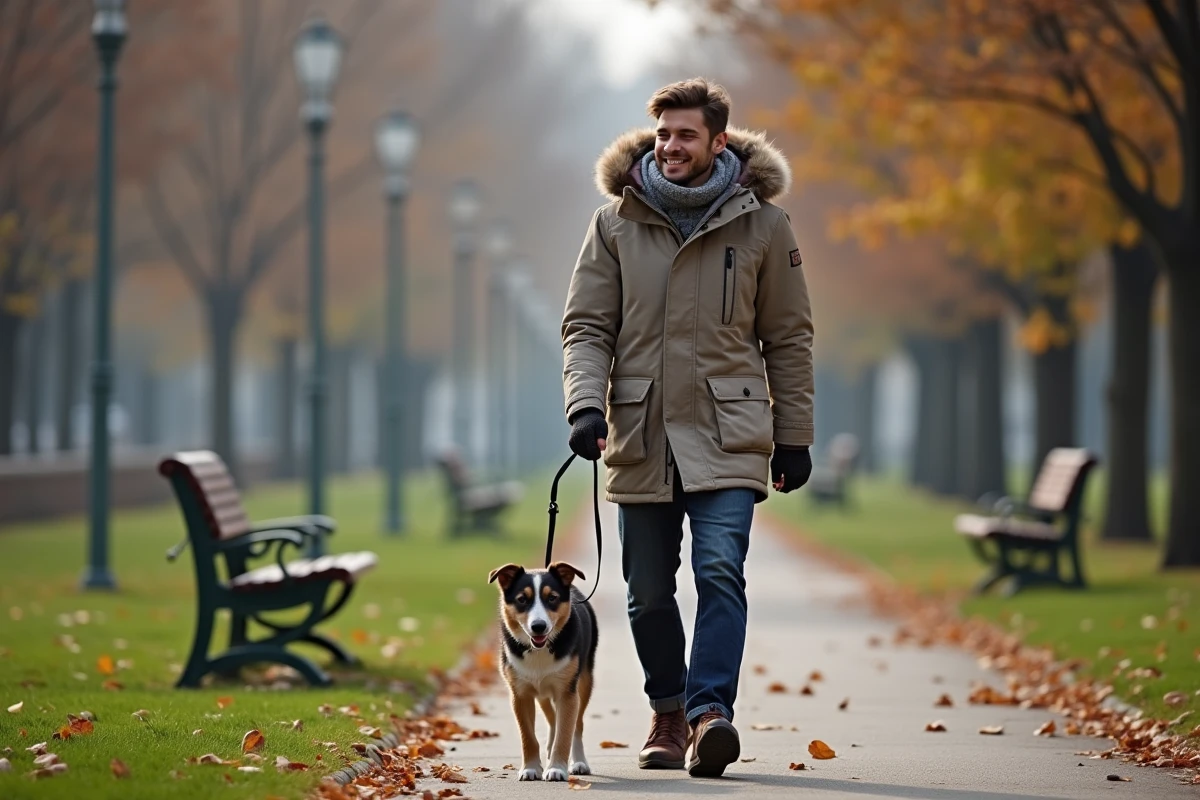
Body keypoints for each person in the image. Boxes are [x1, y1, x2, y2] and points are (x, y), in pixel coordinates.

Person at [559, 77, 815, 778]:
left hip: (730, 436)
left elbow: (788, 339)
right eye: (663, 134)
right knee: (646, 591)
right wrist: (585, 406)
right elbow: (586, 328)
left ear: (718, 141)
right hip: (640, 434)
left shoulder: (765, 225)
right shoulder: (614, 224)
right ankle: (666, 712)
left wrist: (795, 435)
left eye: (685, 135)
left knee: (719, 571)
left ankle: (708, 717)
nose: (671, 146)